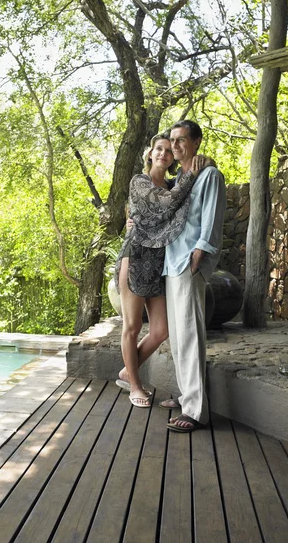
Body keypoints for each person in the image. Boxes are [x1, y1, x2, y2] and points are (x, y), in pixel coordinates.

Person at [115, 133, 214, 407]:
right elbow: (167, 203)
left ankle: (126, 371)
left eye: (169, 151)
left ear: (172, 159)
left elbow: (182, 200)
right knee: (132, 327)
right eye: (158, 149)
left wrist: (204, 163)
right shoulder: (140, 181)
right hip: (135, 257)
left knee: (161, 330)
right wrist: (192, 174)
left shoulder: (174, 184)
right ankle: (135, 384)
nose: (163, 154)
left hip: (160, 262)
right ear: (150, 153)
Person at [160, 120, 226, 433]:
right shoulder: (181, 180)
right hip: (171, 263)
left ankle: (196, 411)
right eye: (173, 140)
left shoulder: (209, 175)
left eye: (182, 140)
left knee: (190, 335)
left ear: (197, 142)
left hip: (189, 262)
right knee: (178, 336)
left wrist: (200, 253)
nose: (176, 145)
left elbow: (212, 218)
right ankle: (188, 394)